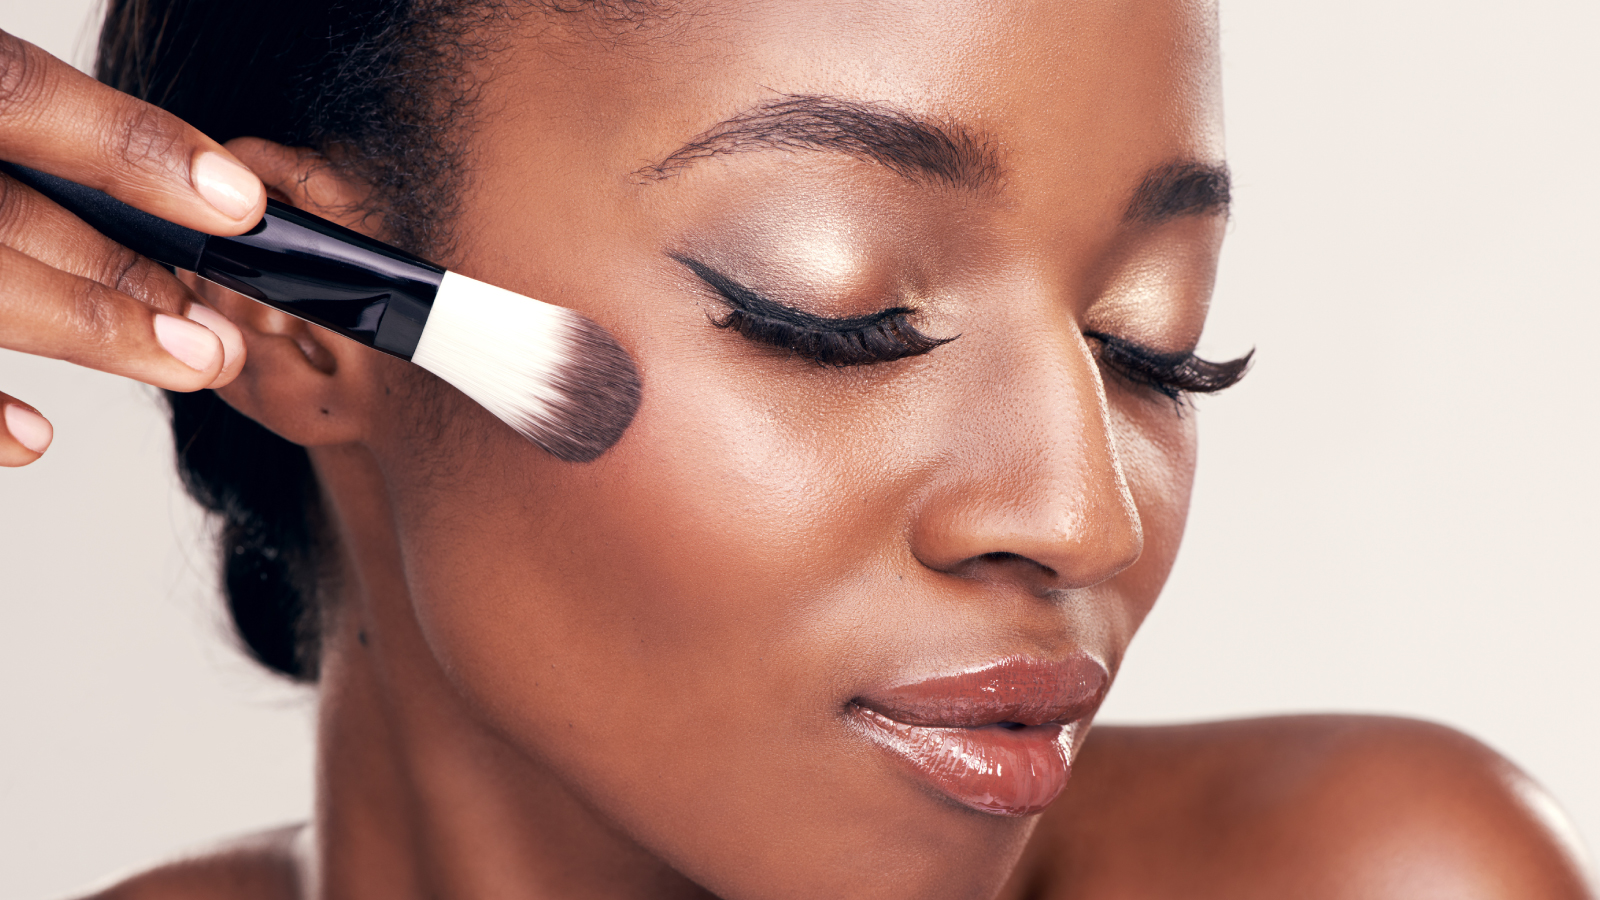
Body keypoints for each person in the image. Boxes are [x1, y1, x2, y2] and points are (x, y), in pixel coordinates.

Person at [0, 0, 1592, 897]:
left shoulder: (1368, 878)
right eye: (834, 313)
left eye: (1151, 341)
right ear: (303, 316)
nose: (1080, 514)